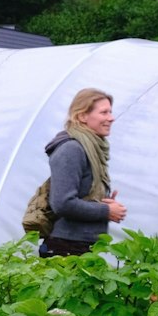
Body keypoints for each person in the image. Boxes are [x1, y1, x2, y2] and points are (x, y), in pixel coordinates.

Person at [39, 88, 127, 257]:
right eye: (104, 112)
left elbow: (78, 197)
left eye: (111, 112)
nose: (111, 118)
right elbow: (62, 203)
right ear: (82, 116)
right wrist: (106, 211)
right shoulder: (71, 149)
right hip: (66, 248)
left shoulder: (91, 148)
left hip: (80, 245)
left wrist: (101, 202)